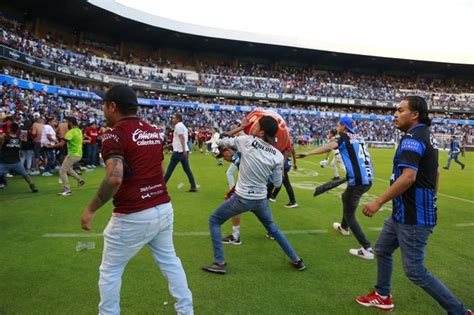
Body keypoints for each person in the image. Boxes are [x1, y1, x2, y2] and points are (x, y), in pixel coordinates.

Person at [80, 85, 193, 315]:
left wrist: (90, 209)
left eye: (104, 104)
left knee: (110, 271)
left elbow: (114, 178)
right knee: (170, 262)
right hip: (162, 206)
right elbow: (159, 168)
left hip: (133, 214)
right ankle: (186, 310)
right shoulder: (152, 130)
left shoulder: (114, 134)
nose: (103, 109)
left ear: (113, 106)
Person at [355, 96, 472, 314]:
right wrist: (432, 198)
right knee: (382, 249)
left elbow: (408, 177)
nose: (395, 114)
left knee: (415, 271)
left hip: (413, 217)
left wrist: (378, 201)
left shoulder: (412, 138)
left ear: (415, 114)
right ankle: (382, 295)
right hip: (403, 212)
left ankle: (460, 312)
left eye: (400, 110)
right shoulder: (424, 135)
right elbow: (435, 172)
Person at [202, 116, 305, 274]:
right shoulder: (277, 155)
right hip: (260, 199)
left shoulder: (246, 141)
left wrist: (240, 127)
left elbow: (220, 140)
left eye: (256, 125)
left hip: (242, 198)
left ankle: (219, 262)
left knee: (214, 220)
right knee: (273, 229)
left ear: (262, 132)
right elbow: (278, 183)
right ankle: (296, 260)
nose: (253, 125)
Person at [297, 116, 375, 259]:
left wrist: (308, 153)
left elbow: (330, 146)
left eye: (339, 125)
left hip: (358, 181)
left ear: (344, 127)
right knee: (346, 197)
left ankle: (367, 248)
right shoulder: (360, 137)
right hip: (368, 179)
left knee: (350, 213)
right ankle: (344, 228)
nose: (337, 127)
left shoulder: (343, 136)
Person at [48, 117, 85, 196]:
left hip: (72, 154)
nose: (66, 124)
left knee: (62, 171)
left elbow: (62, 144)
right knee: (68, 169)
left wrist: (50, 147)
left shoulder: (71, 132)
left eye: (67, 122)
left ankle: (67, 189)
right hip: (78, 154)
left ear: (70, 123)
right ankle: (80, 180)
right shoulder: (78, 130)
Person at [163, 114, 197, 192]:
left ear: (177, 119)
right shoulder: (183, 126)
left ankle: (162, 186)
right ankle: (193, 186)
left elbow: (182, 138)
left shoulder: (178, 126)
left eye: (174, 118)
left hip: (179, 151)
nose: (172, 119)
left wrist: (183, 150)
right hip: (183, 151)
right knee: (187, 170)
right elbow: (179, 139)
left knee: (170, 169)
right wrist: (168, 145)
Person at [0, 123, 38, 192]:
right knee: (25, 175)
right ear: (17, 130)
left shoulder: (4, 138)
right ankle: (32, 186)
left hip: (5, 162)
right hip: (16, 161)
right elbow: (19, 148)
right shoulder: (19, 139)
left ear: (9, 129)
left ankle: (3, 183)